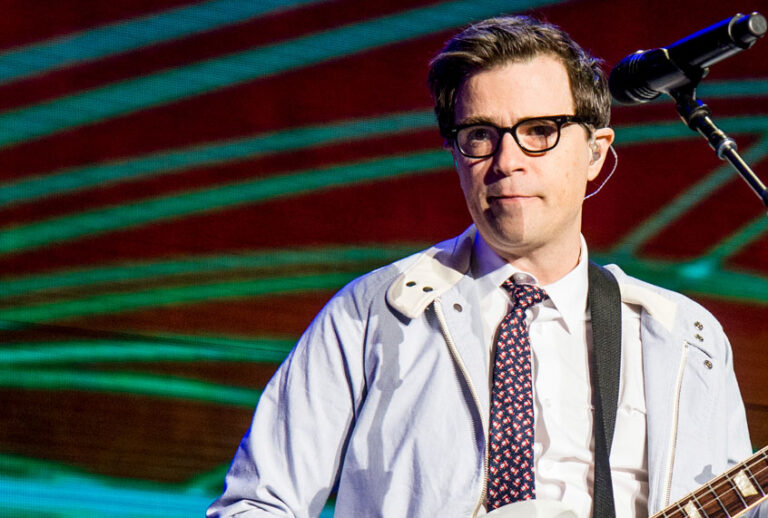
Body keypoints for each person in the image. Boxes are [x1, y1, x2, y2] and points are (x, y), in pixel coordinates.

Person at [208, 16, 764, 518]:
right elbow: (256, 505)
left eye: (540, 131)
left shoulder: (683, 338)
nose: (507, 161)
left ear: (595, 153)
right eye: (480, 135)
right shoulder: (371, 315)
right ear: (455, 152)